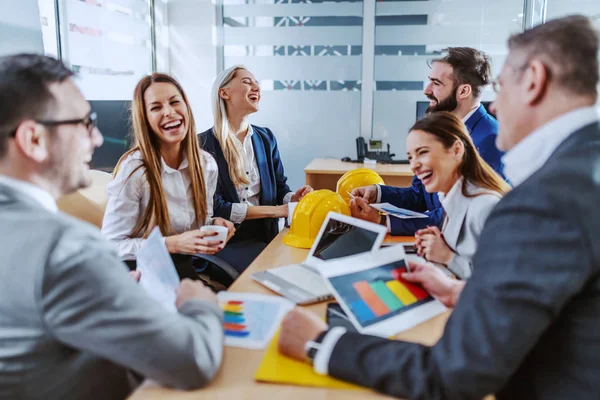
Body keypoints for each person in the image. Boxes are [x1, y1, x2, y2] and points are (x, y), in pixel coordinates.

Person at [278, 15, 600, 399]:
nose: (496, 106)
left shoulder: (545, 199)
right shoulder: (582, 172)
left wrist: (321, 344)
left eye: (501, 87)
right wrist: (464, 292)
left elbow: (455, 374)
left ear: (533, 80)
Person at [0, 54, 224, 399]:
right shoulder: (67, 249)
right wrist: (202, 305)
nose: (98, 140)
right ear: (34, 140)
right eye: (84, 123)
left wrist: (108, 289)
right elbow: (192, 360)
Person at [352, 47, 505, 236]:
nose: (426, 90)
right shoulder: (440, 129)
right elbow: (420, 196)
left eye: (436, 83)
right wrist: (378, 193)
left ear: (464, 90)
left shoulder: (491, 140)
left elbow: (460, 215)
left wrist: (383, 221)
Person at [101, 73, 235, 282]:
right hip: (136, 274)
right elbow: (110, 245)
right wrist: (171, 244)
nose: (170, 113)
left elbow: (199, 222)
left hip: (179, 269)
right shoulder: (135, 171)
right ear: (144, 118)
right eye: (156, 108)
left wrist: (215, 223)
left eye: (175, 102)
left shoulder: (206, 164)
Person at [199, 65, 312, 275]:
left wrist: (292, 198)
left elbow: (279, 188)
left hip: (266, 236)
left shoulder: (265, 138)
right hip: (227, 243)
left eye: (257, 82)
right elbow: (216, 207)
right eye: (246, 81)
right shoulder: (203, 144)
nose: (256, 87)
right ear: (224, 93)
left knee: (308, 264)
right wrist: (277, 211)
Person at [406, 112, 509, 279]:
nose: (414, 166)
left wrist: (447, 256)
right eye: (410, 158)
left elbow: (500, 281)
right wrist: (441, 244)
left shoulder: (485, 206)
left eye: (422, 152)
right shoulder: (451, 199)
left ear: (456, 150)